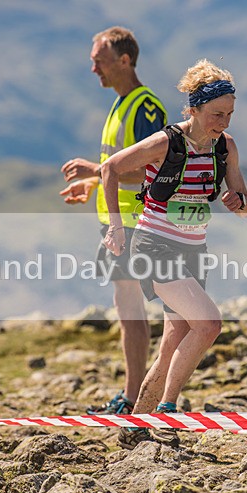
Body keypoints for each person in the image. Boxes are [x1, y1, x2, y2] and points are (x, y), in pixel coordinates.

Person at [101, 59, 247, 449]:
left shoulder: (226, 147)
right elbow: (111, 169)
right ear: (194, 109)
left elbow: (246, 205)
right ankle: (168, 411)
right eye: (217, 114)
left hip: (193, 251)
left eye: (229, 114)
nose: (224, 122)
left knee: (175, 339)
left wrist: (237, 202)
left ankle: (135, 427)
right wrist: (116, 226)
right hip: (154, 245)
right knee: (209, 324)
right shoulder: (166, 142)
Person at [59, 27, 167, 415]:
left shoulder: (144, 107)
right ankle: (135, 396)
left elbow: (156, 169)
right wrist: (93, 183)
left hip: (139, 223)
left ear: (124, 60)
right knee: (128, 309)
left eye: (99, 61)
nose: (93, 69)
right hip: (120, 224)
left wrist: (96, 169)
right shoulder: (120, 104)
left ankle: (141, 398)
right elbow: (118, 169)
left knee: (140, 310)